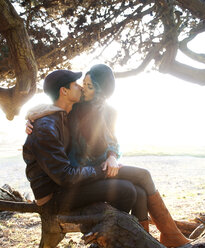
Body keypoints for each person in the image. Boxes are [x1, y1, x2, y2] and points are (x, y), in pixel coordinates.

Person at [26, 65, 190, 247]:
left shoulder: (102, 111)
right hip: (69, 183)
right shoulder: (68, 112)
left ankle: (147, 240)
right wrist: (31, 117)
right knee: (138, 180)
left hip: (86, 173)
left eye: (88, 85)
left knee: (141, 192)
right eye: (80, 84)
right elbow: (51, 107)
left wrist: (112, 156)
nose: (81, 87)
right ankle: (165, 234)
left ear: (100, 91)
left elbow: (112, 139)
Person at [22, 69, 138, 216]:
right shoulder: (45, 127)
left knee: (136, 190)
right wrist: (102, 170)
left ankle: (157, 235)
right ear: (64, 91)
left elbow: (47, 108)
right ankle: (107, 233)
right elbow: (65, 176)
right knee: (126, 190)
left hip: (65, 186)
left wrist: (111, 157)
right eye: (76, 84)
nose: (81, 87)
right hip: (54, 197)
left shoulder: (64, 114)